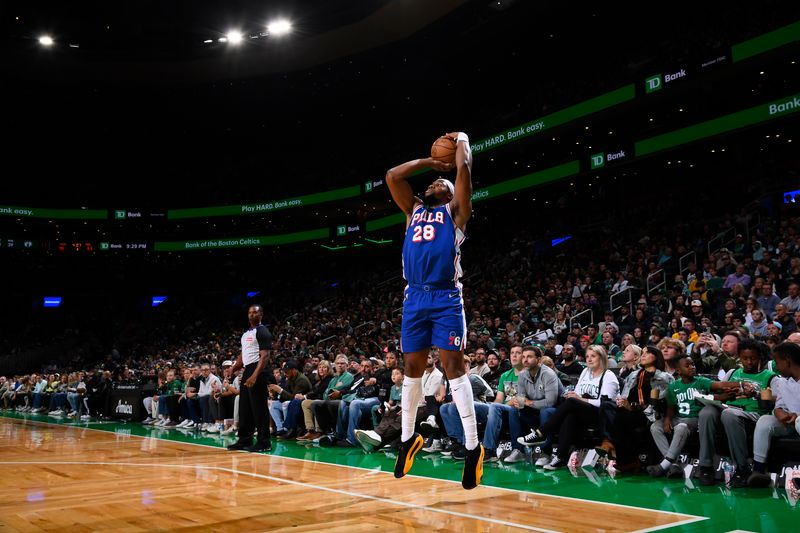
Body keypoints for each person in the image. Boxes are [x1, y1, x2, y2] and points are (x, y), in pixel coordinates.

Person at [386, 131, 484, 489]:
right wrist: (430, 162)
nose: (433, 184)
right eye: (431, 182)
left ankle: (473, 447)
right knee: (411, 368)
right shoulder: (413, 210)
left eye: (440, 181)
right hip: (414, 297)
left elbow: (464, 172)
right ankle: (408, 438)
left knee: (452, 365)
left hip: (445, 298)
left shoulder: (456, 212)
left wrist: (462, 141)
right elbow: (393, 176)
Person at [227, 304, 275, 453]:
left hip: (258, 371)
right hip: (248, 369)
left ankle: (264, 442)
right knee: (245, 408)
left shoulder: (263, 331)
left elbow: (265, 356)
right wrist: (233, 368)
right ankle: (244, 440)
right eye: (249, 313)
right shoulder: (246, 333)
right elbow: (243, 357)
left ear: (261, 314)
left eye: (255, 313)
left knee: (259, 408)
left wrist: (255, 375)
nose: (251, 315)